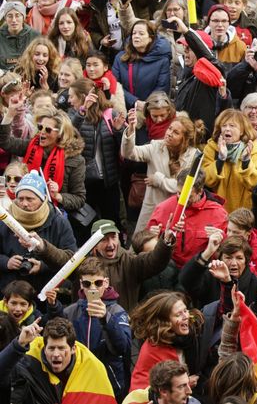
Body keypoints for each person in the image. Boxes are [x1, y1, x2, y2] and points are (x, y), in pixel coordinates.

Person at [30, 219, 176, 312]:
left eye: (113, 237)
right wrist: (42, 246)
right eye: (104, 239)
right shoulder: (82, 261)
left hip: (120, 329)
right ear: (94, 243)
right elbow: (61, 259)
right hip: (86, 328)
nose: (111, 244)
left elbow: (154, 261)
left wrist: (166, 242)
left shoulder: (130, 261)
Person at [56, 257, 131, 401]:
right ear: (81, 285)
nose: (92, 288)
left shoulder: (117, 311)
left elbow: (123, 347)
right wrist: (53, 309)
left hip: (110, 383)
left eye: (98, 283)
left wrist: (106, 318)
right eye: (87, 283)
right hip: (79, 380)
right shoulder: (70, 312)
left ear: (106, 282)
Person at [1, 317, 117, 403]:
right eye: (51, 348)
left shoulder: (92, 368)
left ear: (73, 349)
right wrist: (19, 344)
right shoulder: (29, 359)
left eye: (61, 348)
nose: (56, 354)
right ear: (44, 348)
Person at [0, 171, 78, 291]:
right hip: (11, 292)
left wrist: (42, 266)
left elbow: (72, 258)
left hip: (47, 290)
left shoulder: (58, 222)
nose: (24, 204)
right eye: (20, 198)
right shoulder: (5, 220)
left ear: (42, 199)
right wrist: (6, 262)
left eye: (30, 199)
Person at [0, 107, 87, 214]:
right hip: (24, 210)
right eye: (40, 127)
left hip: (53, 215)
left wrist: (58, 196)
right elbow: (4, 142)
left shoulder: (75, 160)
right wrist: (9, 115)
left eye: (48, 129)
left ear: (60, 133)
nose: (41, 132)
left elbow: (79, 198)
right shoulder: (31, 146)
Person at [121, 111, 198, 231]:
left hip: (175, 212)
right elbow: (128, 153)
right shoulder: (156, 146)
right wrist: (131, 130)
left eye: (176, 132)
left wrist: (159, 180)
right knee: (142, 246)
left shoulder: (193, 156)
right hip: (153, 209)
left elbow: (185, 188)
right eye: (170, 129)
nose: (169, 134)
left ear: (185, 139)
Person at [69, 79, 126, 229]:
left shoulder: (110, 114)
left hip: (108, 180)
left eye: (71, 96)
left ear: (82, 96)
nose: (69, 100)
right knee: (85, 222)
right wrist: (82, 111)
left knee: (111, 220)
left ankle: (115, 248)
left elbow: (125, 148)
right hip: (85, 181)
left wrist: (119, 130)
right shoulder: (75, 115)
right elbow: (68, 137)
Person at [148, 169, 229, 268]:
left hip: (200, 271)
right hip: (167, 268)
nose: (181, 199)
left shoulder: (218, 214)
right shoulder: (163, 208)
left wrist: (222, 239)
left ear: (200, 191)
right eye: (179, 193)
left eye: (187, 196)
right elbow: (144, 245)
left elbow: (228, 250)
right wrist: (153, 236)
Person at [130, 292, 207, 392]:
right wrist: (186, 383)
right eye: (178, 314)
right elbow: (161, 388)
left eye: (185, 310)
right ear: (165, 321)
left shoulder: (189, 336)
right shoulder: (154, 347)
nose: (186, 316)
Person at [179, 231, 257, 307]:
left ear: (246, 261)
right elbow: (186, 281)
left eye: (239, 258)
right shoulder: (210, 276)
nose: (233, 263)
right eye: (228, 258)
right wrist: (208, 252)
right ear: (220, 259)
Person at [201, 109, 257, 212]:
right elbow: (206, 180)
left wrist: (246, 161)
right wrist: (220, 160)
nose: (227, 129)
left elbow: (255, 183)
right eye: (224, 125)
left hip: (243, 211)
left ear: (242, 130)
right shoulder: (212, 148)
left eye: (232, 126)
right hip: (215, 210)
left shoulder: (255, 149)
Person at [112, 20, 172, 110]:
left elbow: (161, 88)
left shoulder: (162, 60)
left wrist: (147, 105)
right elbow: (114, 84)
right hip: (123, 108)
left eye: (141, 33)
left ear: (150, 38)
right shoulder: (120, 57)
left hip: (152, 110)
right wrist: (134, 102)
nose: (136, 36)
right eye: (134, 33)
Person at [227, 207, 257, 282]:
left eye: (236, 233)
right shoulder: (222, 241)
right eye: (228, 230)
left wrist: (248, 271)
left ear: (249, 232)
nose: (230, 235)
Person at [123, 360, 201, 404]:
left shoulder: (194, 402)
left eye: (187, 384)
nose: (189, 391)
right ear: (164, 391)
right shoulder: (135, 400)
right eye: (181, 386)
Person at [205, 4, 248, 72]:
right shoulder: (200, 44)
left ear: (229, 23)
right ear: (209, 23)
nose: (220, 25)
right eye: (216, 21)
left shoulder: (240, 47)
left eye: (224, 21)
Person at [0, 1, 41, 71]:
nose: (14, 20)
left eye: (17, 15)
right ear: (5, 18)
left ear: (23, 17)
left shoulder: (35, 36)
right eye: (10, 16)